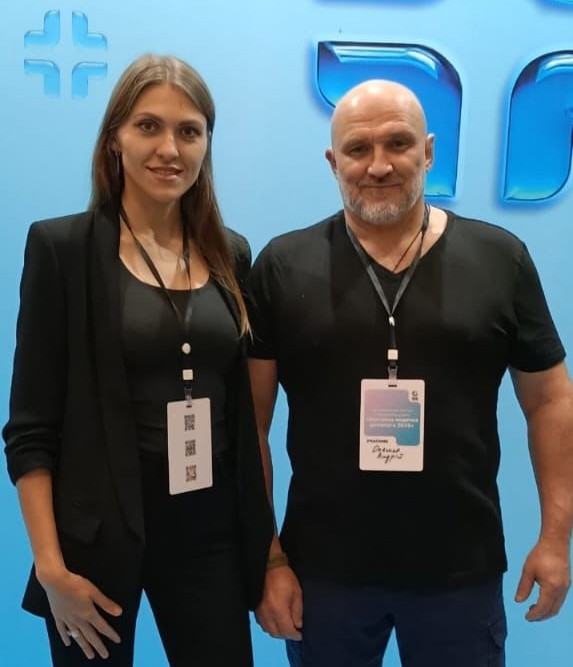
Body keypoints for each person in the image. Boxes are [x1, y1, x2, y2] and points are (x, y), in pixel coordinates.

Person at [246, 80, 573, 667]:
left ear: (428, 151)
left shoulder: (501, 258)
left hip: (460, 571)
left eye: (398, 143)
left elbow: (550, 401)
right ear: (333, 162)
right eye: (358, 149)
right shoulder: (281, 266)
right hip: (323, 573)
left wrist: (555, 539)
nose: (378, 165)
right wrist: (269, 559)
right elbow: (250, 425)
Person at [3, 54, 273, 667]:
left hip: (208, 535)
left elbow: (243, 415)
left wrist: (265, 548)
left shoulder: (231, 254)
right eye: (148, 126)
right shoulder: (63, 249)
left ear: (206, 145)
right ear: (114, 139)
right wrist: (51, 570)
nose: (169, 149)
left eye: (189, 131)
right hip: (94, 544)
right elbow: (31, 429)